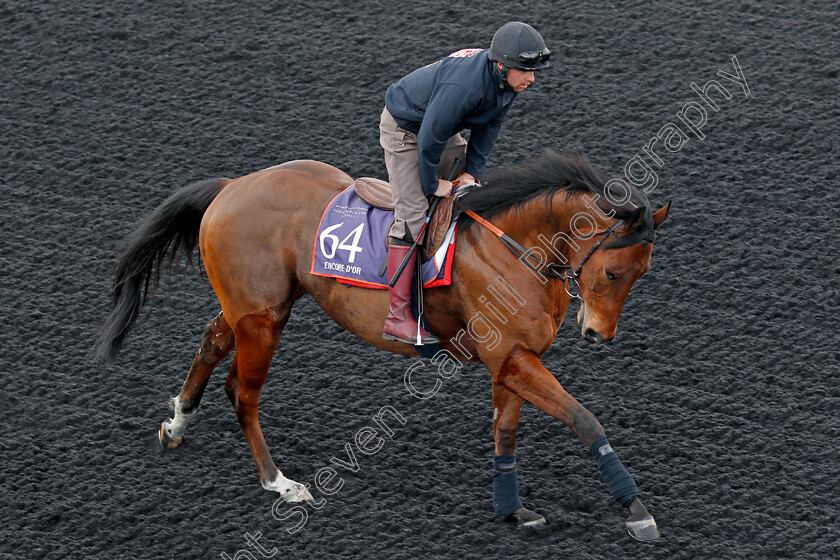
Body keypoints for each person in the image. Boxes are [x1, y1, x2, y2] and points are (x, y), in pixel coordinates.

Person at [380, 22, 551, 344]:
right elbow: (429, 137)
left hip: (440, 129)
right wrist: (433, 184)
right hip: (405, 131)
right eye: (524, 71)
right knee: (413, 216)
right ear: (501, 66)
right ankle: (397, 317)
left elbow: (490, 127)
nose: (531, 78)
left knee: (467, 190)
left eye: (533, 71)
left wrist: (472, 173)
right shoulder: (466, 87)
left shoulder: (506, 83)